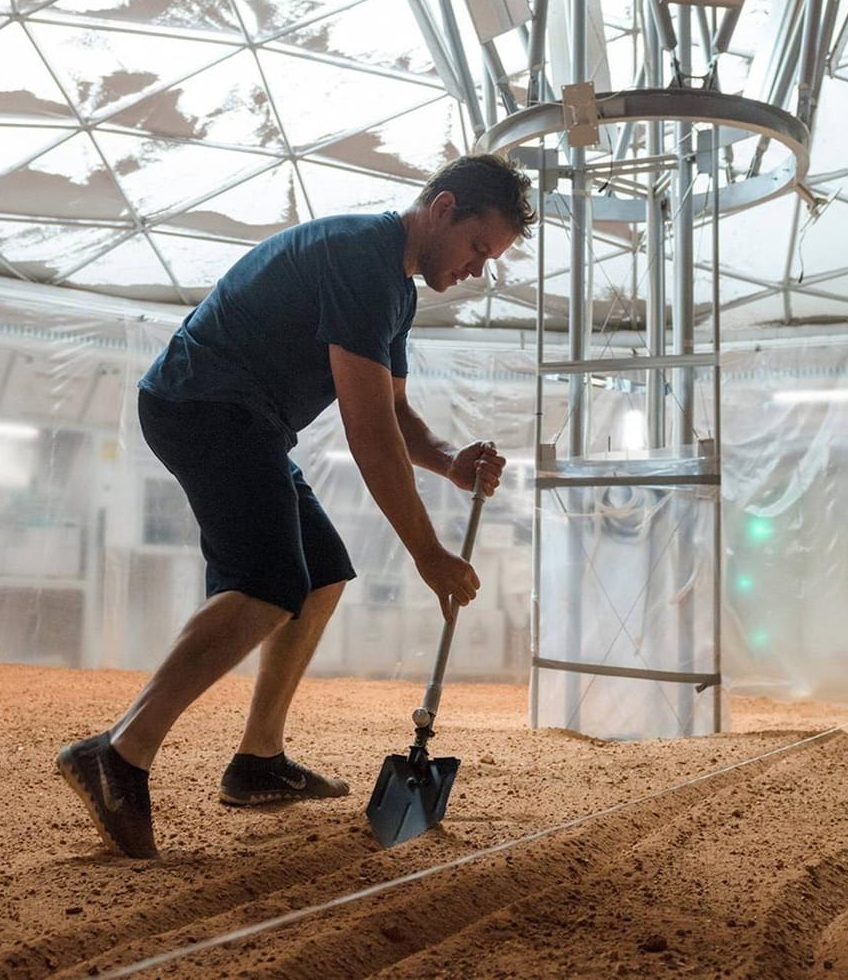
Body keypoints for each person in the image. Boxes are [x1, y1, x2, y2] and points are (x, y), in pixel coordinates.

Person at [56, 154, 534, 858]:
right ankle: (119, 751)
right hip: (201, 404)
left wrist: (450, 462)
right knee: (269, 583)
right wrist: (429, 555)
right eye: (477, 248)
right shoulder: (360, 260)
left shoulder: (393, 290)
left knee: (319, 574)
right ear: (443, 210)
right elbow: (367, 435)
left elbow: (395, 413)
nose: (476, 269)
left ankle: (257, 760)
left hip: (244, 419)